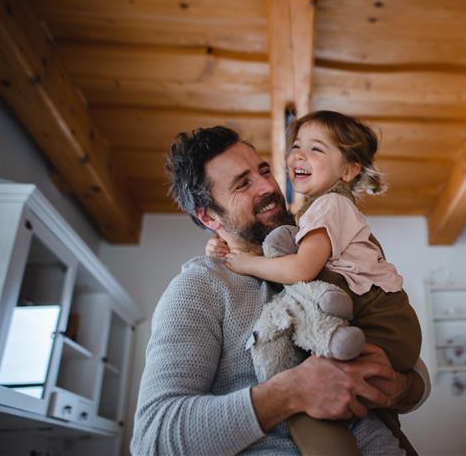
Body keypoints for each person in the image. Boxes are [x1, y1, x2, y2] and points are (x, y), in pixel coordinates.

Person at [130, 126, 429, 456]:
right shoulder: (199, 287)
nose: (268, 187)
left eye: (263, 171)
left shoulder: (317, 248)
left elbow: (415, 377)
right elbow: (152, 440)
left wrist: (399, 388)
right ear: (209, 216)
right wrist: (290, 393)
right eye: (243, 184)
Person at [207, 110, 421, 372]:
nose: (299, 155)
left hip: (380, 322)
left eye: (316, 149)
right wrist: (222, 246)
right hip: (389, 325)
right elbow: (284, 251)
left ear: (348, 170)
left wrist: (248, 263)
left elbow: (301, 268)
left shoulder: (329, 205)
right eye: (296, 146)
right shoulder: (322, 210)